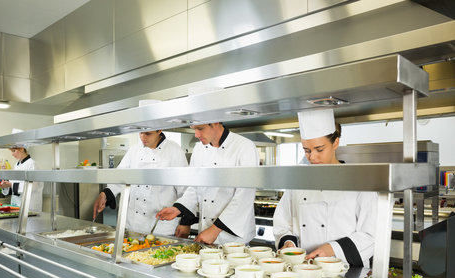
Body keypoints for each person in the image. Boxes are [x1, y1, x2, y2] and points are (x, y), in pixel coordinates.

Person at [272, 108, 377, 267]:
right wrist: (288, 243)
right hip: (304, 269)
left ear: (335, 143)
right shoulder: (298, 181)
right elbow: (283, 223)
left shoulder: (360, 182)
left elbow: (371, 235)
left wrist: (332, 249)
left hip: (344, 271)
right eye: (307, 150)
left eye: (319, 149)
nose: (312, 157)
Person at [157, 122, 258, 245]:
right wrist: (178, 208)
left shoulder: (244, 147)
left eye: (200, 129)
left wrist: (214, 230)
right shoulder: (199, 149)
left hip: (233, 238)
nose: (196, 134)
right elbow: (194, 187)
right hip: (205, 232)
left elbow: (244, 196)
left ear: (215, 123)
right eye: (194, 129)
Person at [92, 130, 188, 235]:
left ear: (159, 131)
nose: (142, 137)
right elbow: (120, 177)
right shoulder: (134, 149)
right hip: (133, 226)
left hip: (161, 227)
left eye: (147, 134)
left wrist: (185, 222)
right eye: (140, 133)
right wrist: (105, 193)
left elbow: (185, 190)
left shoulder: (174, 150)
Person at [0, 144, 44, 211]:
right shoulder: (17, 165)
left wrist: (11, 184)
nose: (12, 154)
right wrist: (5, 186)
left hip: (29, 206)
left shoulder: (32, 164)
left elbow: (33, 186)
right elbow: (14, 184)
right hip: (17, 204)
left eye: (14, 151)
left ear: (22, 149)